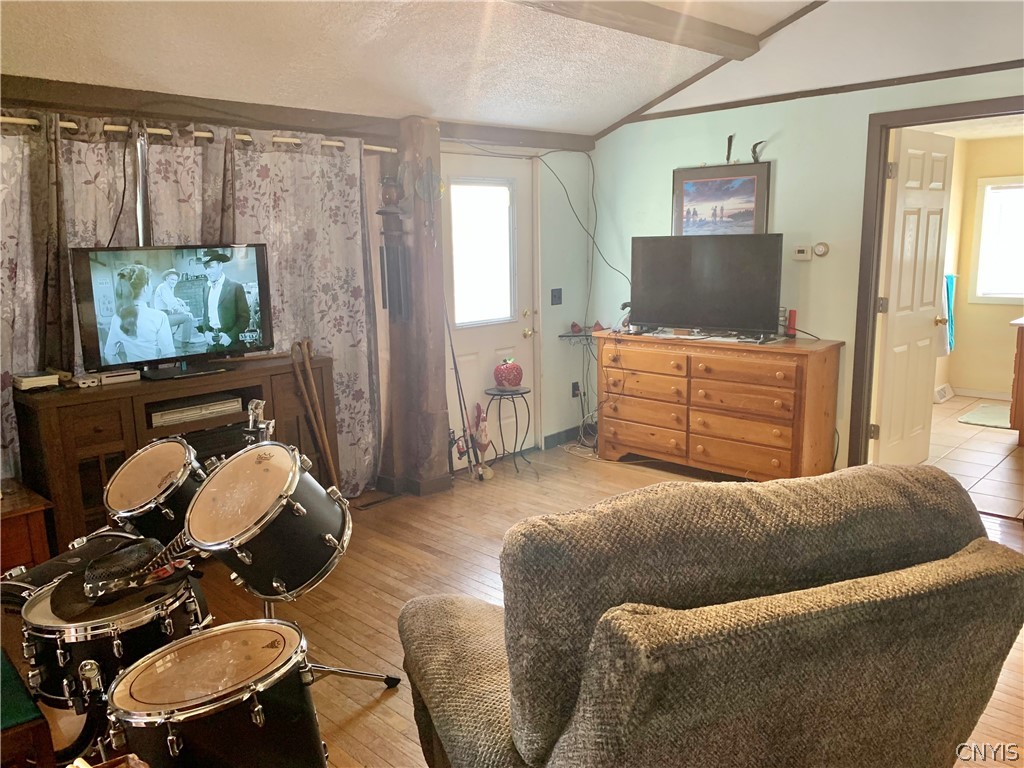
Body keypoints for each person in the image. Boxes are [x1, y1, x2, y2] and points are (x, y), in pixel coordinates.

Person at [103, 264, 176, 365]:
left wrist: (127, 373)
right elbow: (169, 356)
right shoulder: (159, 317)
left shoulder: (117, 318)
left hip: (133, 376)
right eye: (150, 284)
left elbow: (109, 354)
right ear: (145, 288)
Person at [199, 250, 250, 350]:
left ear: (220, 265)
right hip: (212, 345)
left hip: (233, 345)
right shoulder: (206, 288)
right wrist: (206, 333)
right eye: (205, 268)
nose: (208, 272)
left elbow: (245, 318)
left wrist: (230, 336)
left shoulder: (236, 287)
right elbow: (205, 315)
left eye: (211, 267)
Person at [153, 268, 199, 346]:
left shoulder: (168, 287)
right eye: (172, 279)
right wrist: (185, 312)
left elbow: (172, 299)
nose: (174, 282)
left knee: (184, 313)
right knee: (187, 318)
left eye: (175, 280)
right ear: (167, 278)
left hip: (166, 314)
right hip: (162, 317)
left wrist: (178, 300)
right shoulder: (163, 287)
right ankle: (185, 343)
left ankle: (178, 337)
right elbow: (172, 304)